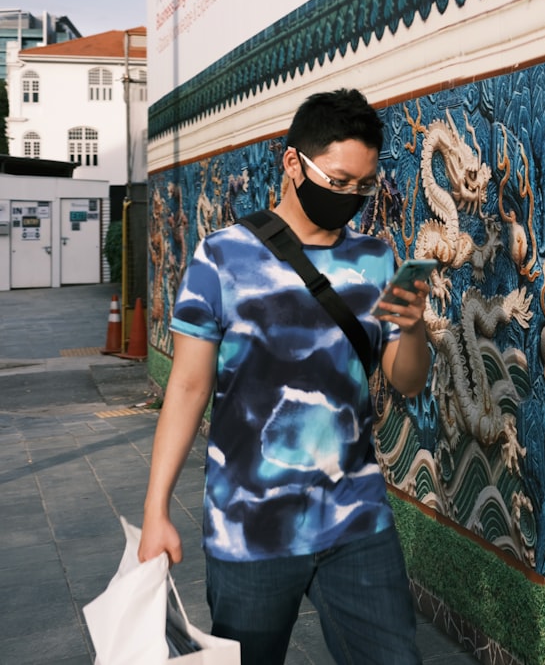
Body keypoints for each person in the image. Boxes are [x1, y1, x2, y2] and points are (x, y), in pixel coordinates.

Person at [139, 89, 430, 664]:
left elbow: (407, 379)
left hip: (356, 518)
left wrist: (414, 327)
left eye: (363, 187)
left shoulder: (375, 258)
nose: (350, 198)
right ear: (293, 163)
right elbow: (189, 388)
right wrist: (156, 511)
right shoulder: (220, 258)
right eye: (339, 181)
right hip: (251, 526)